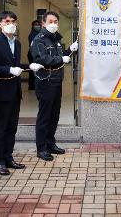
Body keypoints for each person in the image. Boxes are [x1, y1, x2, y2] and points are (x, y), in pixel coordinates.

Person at [29, 11, 78, 161]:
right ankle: (41, 148)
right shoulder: (39, 40)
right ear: (43, 23)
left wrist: (70, 50)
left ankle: (51, 143)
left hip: (56, 81)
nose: (54, 24)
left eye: (56, 21)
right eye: (50, 21)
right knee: (45, 116)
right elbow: (42, 58)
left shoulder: (56, 39)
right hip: (45, 82)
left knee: (54, 115)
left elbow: (61, 55)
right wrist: (60, 58)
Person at [0, 11, 28, 176]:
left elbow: (16, 64)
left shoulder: (17, 43)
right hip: (0, 92)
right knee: (0, 127)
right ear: (0, 24)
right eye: (7, 21)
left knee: (12, 127)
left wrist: (27, 66)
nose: (11, 24)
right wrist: (8, 70)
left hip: (15, 92)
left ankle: (8, 156)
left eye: (13, 21)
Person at [27, 20, 41, 90]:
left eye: (38, 24)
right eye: (36, 24)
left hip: (35, 53)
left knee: (34, 70)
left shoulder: (38, 33)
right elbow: (33, 46)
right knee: (33, 69)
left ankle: (33, 85)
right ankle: (32, 85)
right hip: (32, 54)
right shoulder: (33, 34)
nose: (37, 26)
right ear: (32, 26)